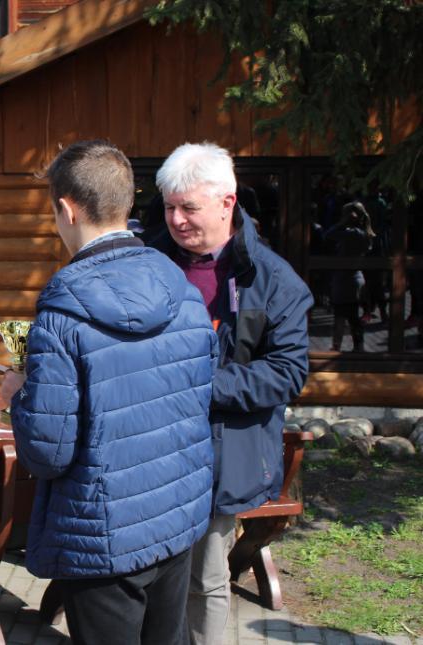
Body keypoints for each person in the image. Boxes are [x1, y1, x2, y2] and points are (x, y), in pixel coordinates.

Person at [0, 140, 217, 645]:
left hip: (103, 533)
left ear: (67, 209)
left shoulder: (61, 318)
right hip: (175, 518)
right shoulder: (183, 293)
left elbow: (48, 453)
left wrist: (22, 395)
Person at [150, 142, 313, 645]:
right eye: (169, 207)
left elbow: (286, 373)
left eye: (189, 208)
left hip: (223, 451)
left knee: (203, 577)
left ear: (227, 202)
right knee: (144, 574)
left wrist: (197, 385)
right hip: (149, 447)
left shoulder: (273, 280)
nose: (176, 219)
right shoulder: (148, 262)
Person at [324, 201, 374, 351]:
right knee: (352, 314)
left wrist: (342, 223)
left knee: (342, 314)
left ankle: (338, 346)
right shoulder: (364, 233)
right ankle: (358, 345)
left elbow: (329, 235)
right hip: (353, 277)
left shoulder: (353, 233)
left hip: (346, 279)